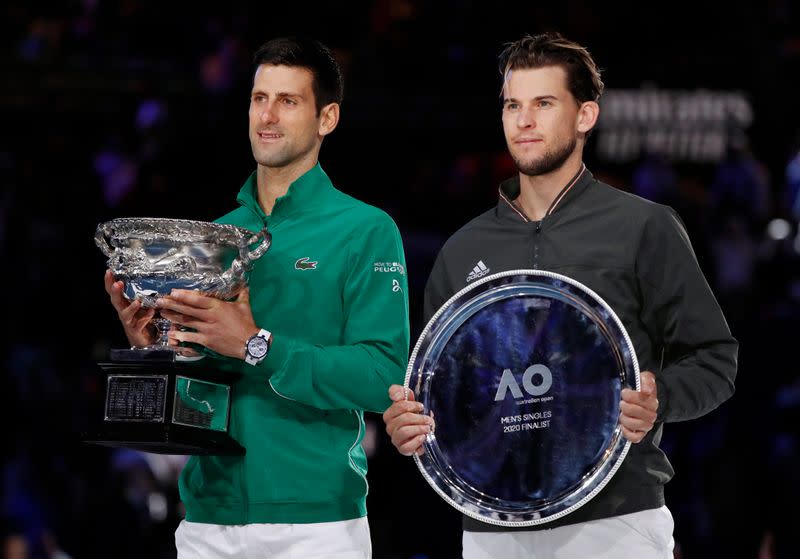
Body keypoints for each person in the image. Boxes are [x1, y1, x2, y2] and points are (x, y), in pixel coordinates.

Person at [383, 32, 738, 559]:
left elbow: (716, 360)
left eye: (544, 104)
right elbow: (447, 392)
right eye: (512, 105)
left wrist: (659, 398)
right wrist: (411, 423)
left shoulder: (643, 227)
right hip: (491, 528)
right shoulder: (462, 251)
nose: (524, 121)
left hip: (617, 521)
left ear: (585, 116)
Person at [104, 36, 410, 558]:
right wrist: (156, 347)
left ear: (327, 118)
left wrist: (256, 345)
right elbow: (198, 392)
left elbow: (383, 377)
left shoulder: (365, 230)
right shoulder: (214, 238)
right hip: (207, 518)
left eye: (288, 101)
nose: (267, 115)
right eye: (258, 98)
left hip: (317, 524)